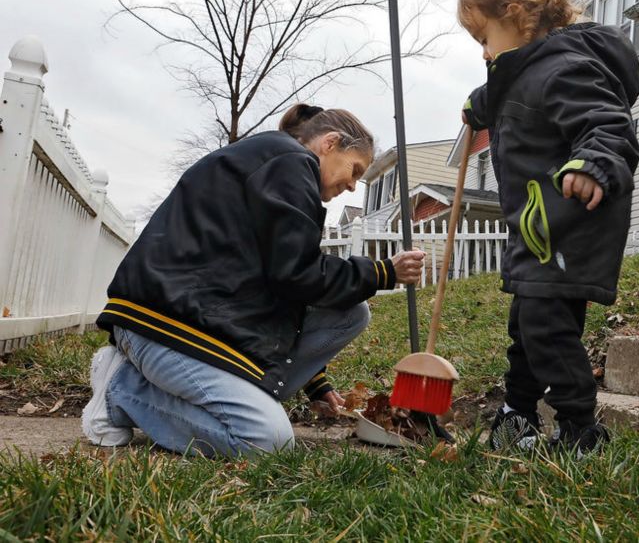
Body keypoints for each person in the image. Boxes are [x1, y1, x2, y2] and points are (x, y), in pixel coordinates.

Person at [81, 104, 425, 456]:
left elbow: (277, 283)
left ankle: (238, 400)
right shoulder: (291, 163)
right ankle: (121, 392)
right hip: (163, 326)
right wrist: (383, 272)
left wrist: (314, 381)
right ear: (330, 143)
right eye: (355, 169)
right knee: (267, 442)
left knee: (353, 312)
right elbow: (297, 273)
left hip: (198, 317)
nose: (353, 186)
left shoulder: (277, 163)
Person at [458, 0, 639, 455]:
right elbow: (511, 89)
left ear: (516, 15)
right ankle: (518, 414)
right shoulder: (526, 73)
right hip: (538, 231)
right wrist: (482, 101)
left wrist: (593, 164)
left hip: (567, 227)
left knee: (547, 328)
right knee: (527, 326)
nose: (483, 52)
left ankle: (581, 428)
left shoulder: (566, 67)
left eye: (483, 37)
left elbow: (608, 124)